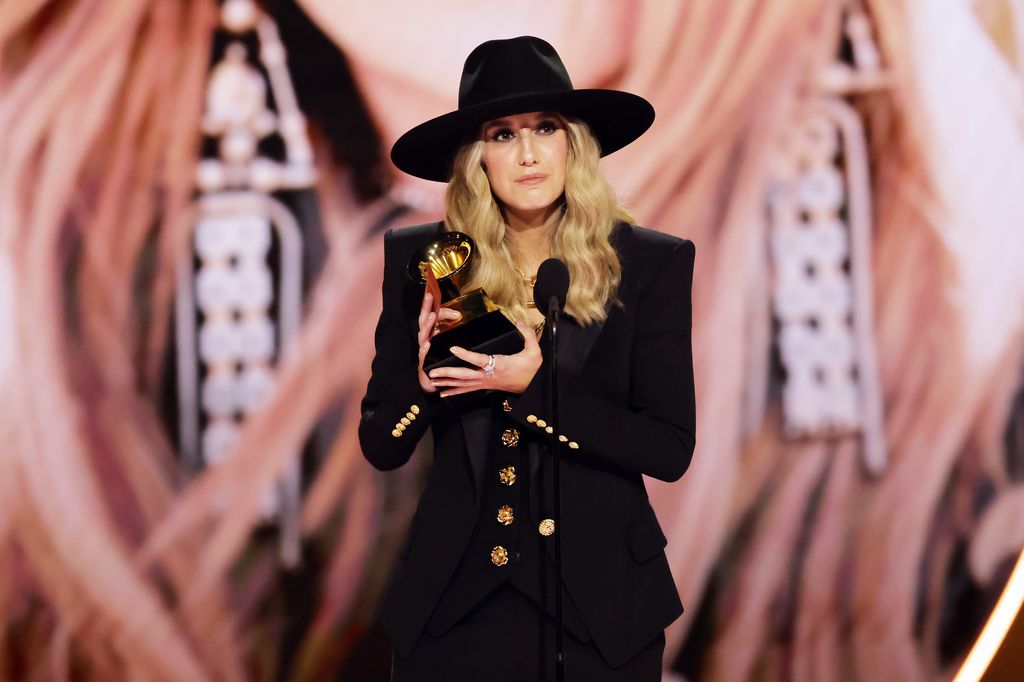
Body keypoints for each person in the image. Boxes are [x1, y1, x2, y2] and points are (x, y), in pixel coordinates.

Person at [359, 36, 696, 681]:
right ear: (476, 157)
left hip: (602, 611)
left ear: (575, 143)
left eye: (546, 128)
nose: (529, 153)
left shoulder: (650, 263)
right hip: (454, 609)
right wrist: (423, 382)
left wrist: (536, 390)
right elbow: (382, 443)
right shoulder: (427, 261)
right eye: (503, 134)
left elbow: (669, 448)